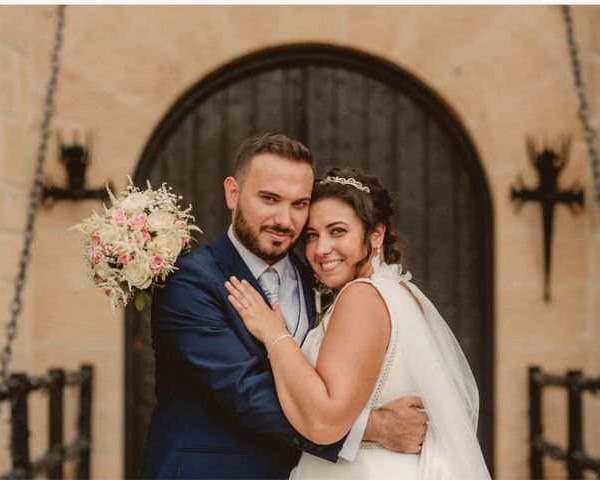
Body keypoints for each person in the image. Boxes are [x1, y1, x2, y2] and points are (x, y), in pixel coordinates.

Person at [140, 134, 428, 479]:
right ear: (233, 193)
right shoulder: (189, 282)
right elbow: (244, 393)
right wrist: (376, 426)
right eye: (269, 199)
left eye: (299, 204)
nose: (285, 219)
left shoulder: (320, 279)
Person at [225, 167, 492, 479]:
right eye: (312, 235)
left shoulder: (361, 297)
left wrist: (274, 335)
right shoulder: (398, 290)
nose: (321, 249)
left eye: (337, 231)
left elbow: (324, 421)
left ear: (375, 234)